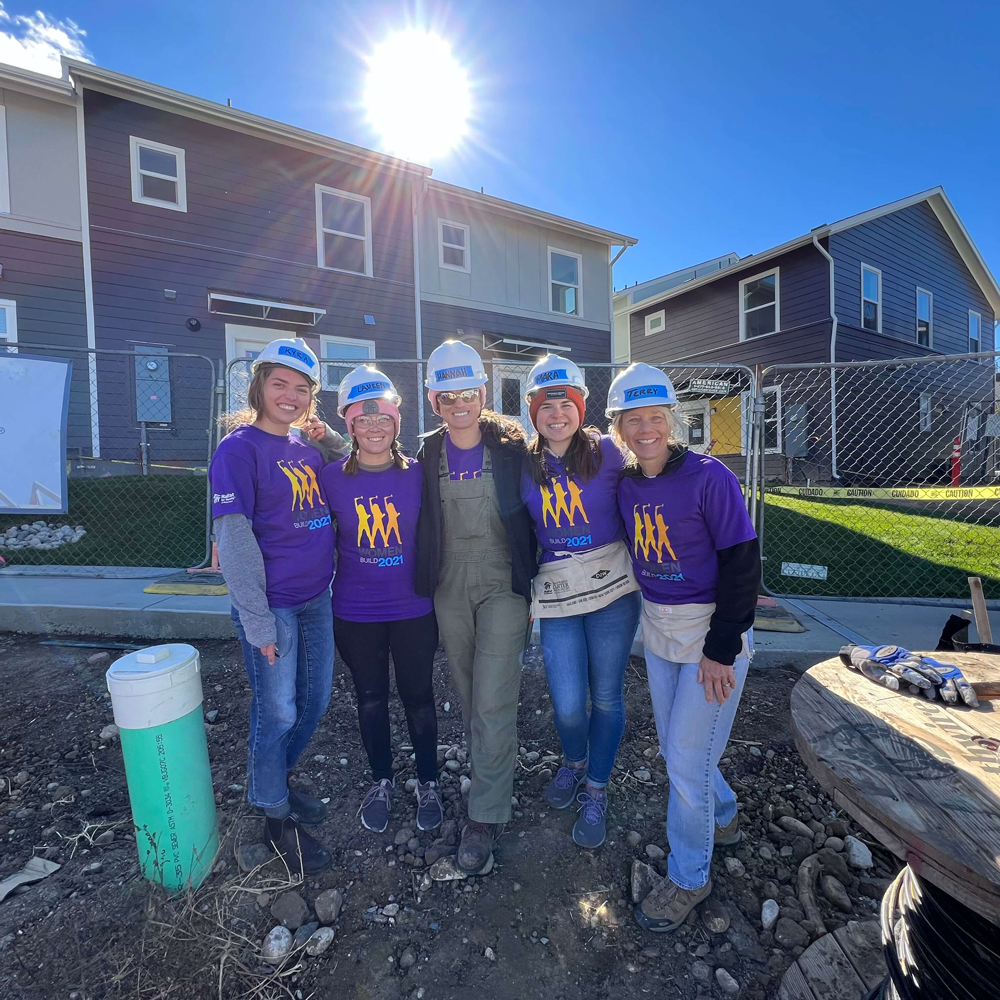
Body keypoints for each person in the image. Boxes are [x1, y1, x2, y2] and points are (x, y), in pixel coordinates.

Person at [608, 362, 760, 931]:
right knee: (681, 752)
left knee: (686, 762)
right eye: (633, 419)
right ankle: (723, 815)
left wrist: (722, 648)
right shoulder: (626, 484)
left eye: (655, 417)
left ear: (671, 420)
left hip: (710, 633)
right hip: (660, 630)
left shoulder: (709, 477)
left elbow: (742, 563)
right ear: (619, 427)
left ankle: (689, 876)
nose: (645, 429)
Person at [209, 338, 336, 874]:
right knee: (278, 709)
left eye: (301, 388)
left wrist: (330, 437)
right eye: (279, 383)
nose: (290, 395)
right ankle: (275, 815)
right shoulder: (238, 450)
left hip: (316, 598)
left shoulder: (307, 447)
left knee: (315, 701)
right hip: (273, 607)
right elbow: (234, 540)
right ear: (259, 386)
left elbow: (356, 466)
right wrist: (257, 620)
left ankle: (273, 781)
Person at [415, 340, 537, 874]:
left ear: (483, 394)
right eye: (448, 396)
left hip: (502, 582)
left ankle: (485, 814)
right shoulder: (425, 454)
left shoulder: (511, 449)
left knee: (492, 697)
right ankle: (491, 769)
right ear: (433, 400)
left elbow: (558, 478)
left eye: (468, 393)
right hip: (448, 584)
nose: (459, 403)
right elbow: (366, 461)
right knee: (468, 693)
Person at [520, 355, 641, 849]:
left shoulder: (609, 451)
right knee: (568, 702)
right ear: (532, 411)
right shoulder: (522, 461)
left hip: (612, 590)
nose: (557, 415)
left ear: (581, 407)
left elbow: (658, 461)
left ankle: (597, 786)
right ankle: (574, 761)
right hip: (558, 591)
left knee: (606, 696)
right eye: (546, 407)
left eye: (566, 404)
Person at [319, 366, 443, 835]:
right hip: (355, 610)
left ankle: (428, 781)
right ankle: (382, 780)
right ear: (349, 426)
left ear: (397, 422)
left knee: (419, 697)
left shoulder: (419, 475)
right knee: (370, 698)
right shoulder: (330, 478)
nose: (374, 427)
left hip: (413, 607)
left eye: (383, 418)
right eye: (363, 419)